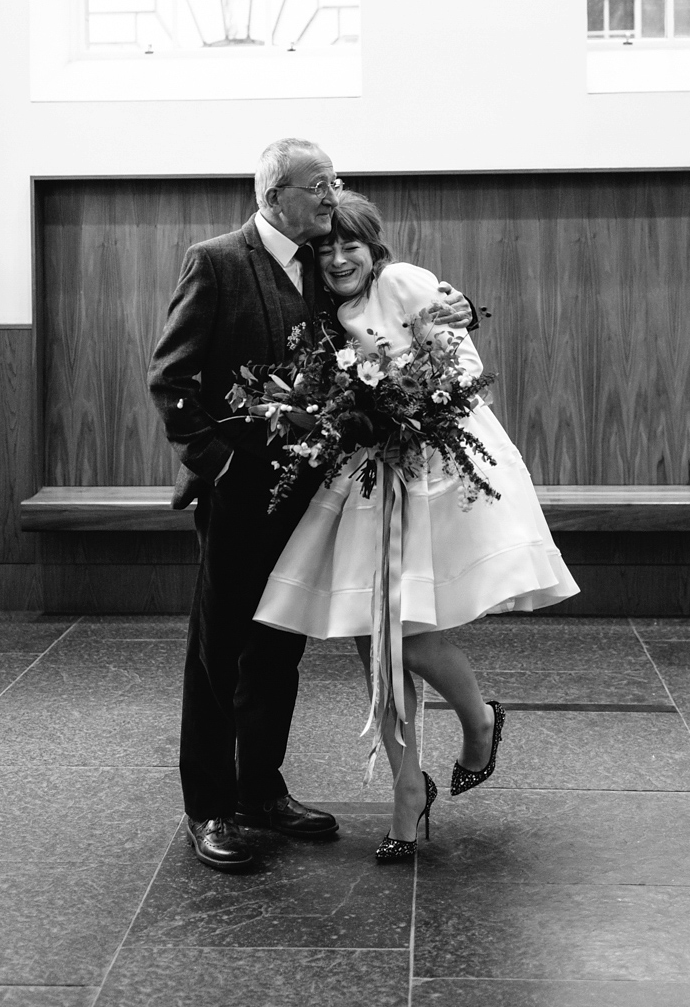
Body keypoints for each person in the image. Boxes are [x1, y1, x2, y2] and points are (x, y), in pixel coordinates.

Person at [148, 140, 473, 872]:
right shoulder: (218, 260)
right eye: (318, 185)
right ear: (275, 195)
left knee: (277, 648)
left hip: (311, 492)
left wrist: (451, 311)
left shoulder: (319, 262)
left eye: (335, 183)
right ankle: (209, 807)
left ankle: (261, 789)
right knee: (218, 652)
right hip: (239, 496)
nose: (332, 195)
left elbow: (385, 308)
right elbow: (171, 377)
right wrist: (220, 462)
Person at [253, 190, 580, 860]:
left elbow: (462, 365)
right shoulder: (318, 310)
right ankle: (407, 790)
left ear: (375, 249)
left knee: (414, 637)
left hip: (431, 467)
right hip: (365, 475)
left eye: (352, 244)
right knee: (372, 637)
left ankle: (480, 723)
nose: (339, 257)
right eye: (325, 247)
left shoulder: (400, 283)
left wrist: (403, 403)